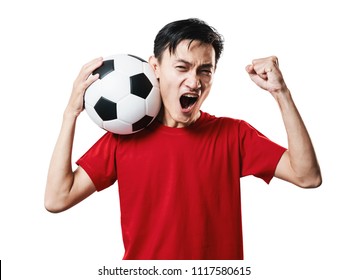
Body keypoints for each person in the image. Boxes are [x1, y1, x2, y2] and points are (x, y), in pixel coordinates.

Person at [45, 18, 322, 260]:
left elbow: (307, 176)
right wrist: (71, 113)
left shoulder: (233, 135)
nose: (195, 82)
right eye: (182, 67)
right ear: (154, 67)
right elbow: (57, 199)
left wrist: (281, 93)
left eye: (205, 70)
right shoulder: (123, 139)